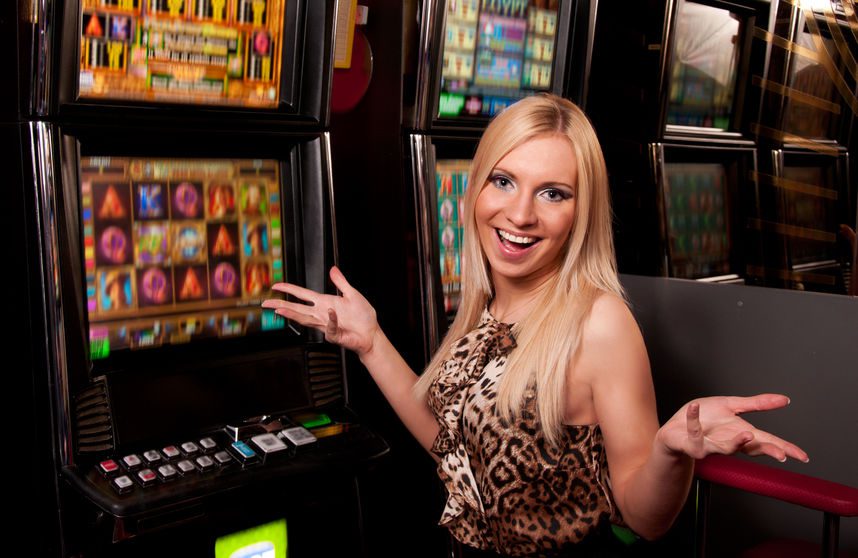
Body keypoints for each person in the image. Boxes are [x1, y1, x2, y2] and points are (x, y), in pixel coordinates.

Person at [262, 94, 807, 557]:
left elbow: (646, 519)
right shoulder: (488, 305)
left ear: (581, 211)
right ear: (477, 189)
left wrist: (670, 450)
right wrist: (371, 342)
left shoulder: (599, 322)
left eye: (553, 193)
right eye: (503, 181)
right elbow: (454, 448)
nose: (520, 214)